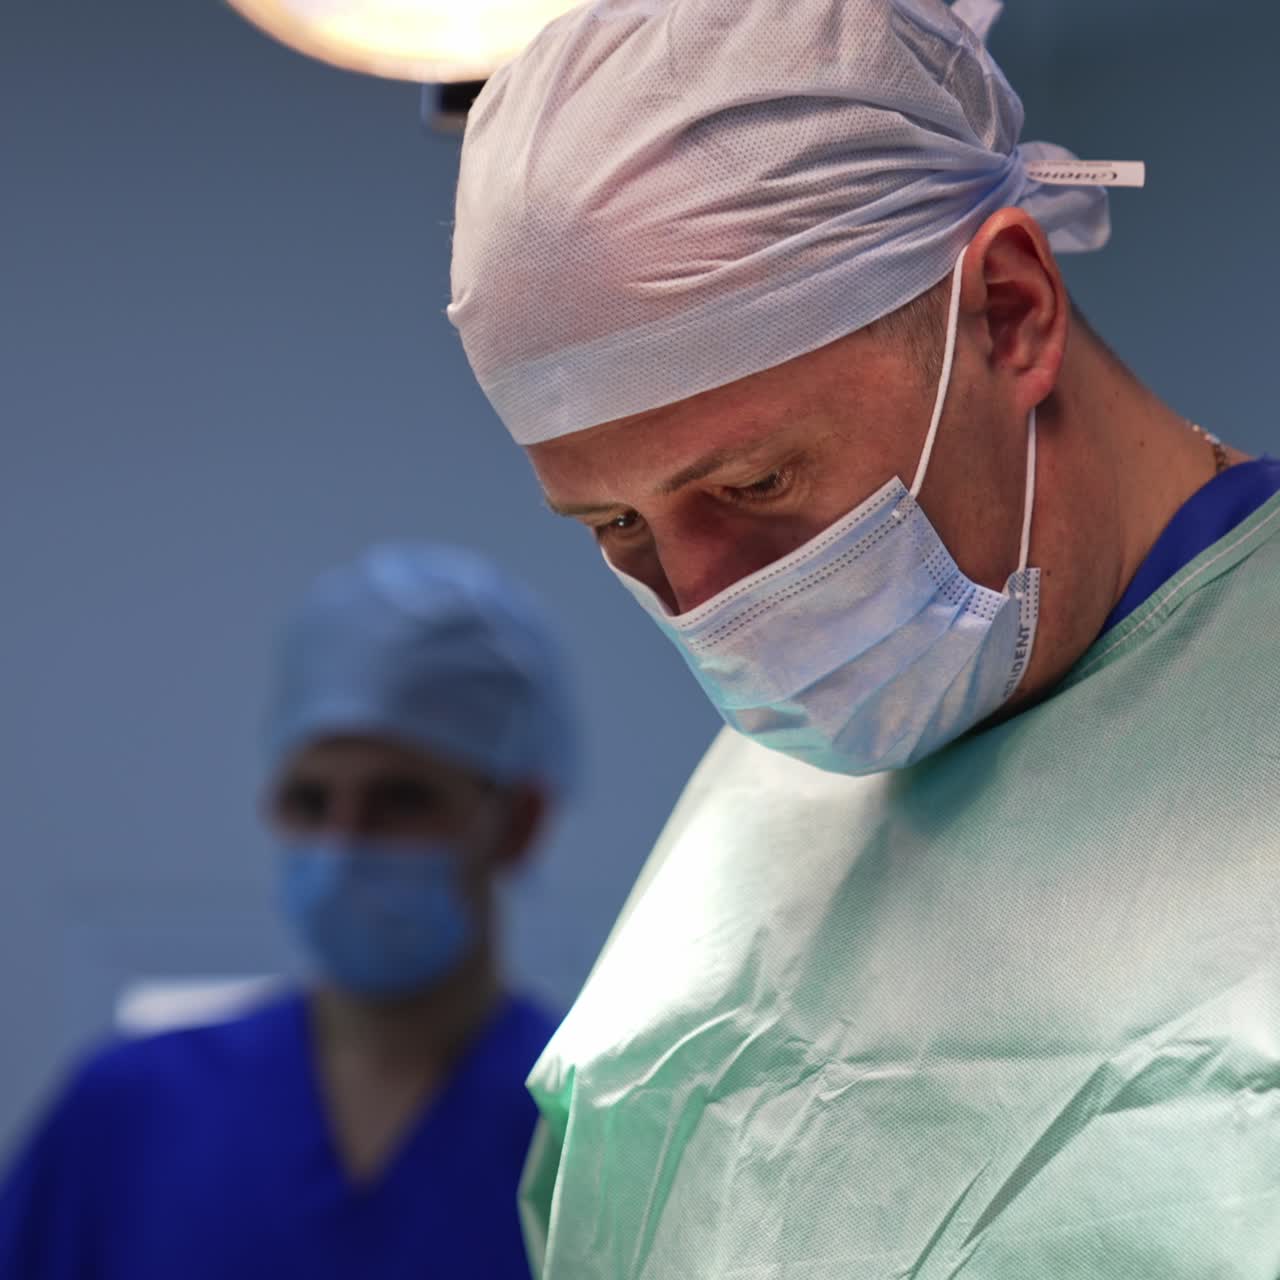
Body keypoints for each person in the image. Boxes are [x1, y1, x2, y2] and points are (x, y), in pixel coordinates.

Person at [446, 0, 1280, 1274]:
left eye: (757, 483)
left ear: (1006, 312)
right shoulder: (760, 817)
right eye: (613, 521)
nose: (703, 596)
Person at [0, 544, 578, 1280]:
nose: (341, 846)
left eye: (399, 800)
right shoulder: (129, 1112)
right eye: (310, 801)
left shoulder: (588, 1135)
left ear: (518, 823)